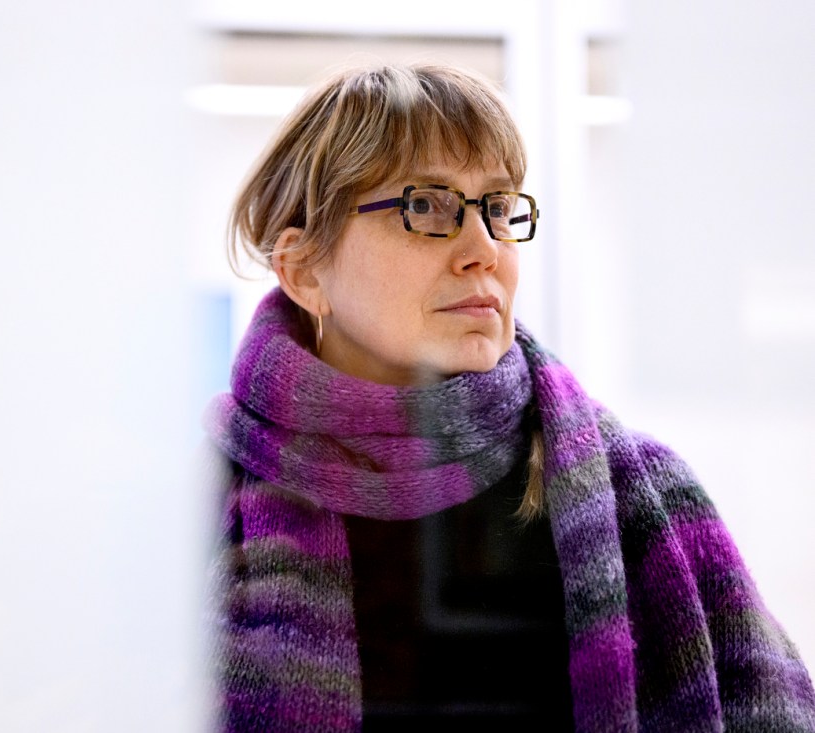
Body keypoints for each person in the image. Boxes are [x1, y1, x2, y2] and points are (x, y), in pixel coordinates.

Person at [205, 63, 815, 732]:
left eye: (497, 207)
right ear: (302, 270)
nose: (484, 248)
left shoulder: (646, 496)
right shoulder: (187, 510)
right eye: (426, 206)